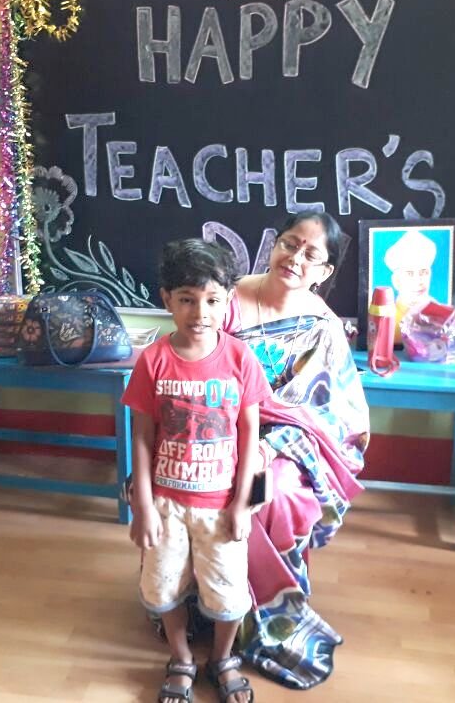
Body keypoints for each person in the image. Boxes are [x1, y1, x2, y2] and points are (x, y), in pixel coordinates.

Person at [222, 211, 371, 689]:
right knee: (207, 480)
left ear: (324, 271)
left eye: (311, 254)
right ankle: (209, 605)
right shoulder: (226, 299)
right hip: (219, 427)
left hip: (291, 441)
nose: (295, 258)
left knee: (277, 493)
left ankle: (260, 617)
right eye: (289, 243)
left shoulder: (322, 325)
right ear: (274, 244)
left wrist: (270, 447)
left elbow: (331, 409)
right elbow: (197, 365)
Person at [124, 239, 270, 703]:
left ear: (228, 299)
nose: (200, 312)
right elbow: (142, 437)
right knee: (163, 585)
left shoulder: (240, 359)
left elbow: (249, 435)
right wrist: (144, 507)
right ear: (167, 299)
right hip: (166, 504)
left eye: (212, 299)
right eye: (187, 299)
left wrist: (242, 504)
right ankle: (182, 657)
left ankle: (222, 658)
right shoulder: (152, 361)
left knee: (227, 592)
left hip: (221, 506)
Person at [384, 229, 437, 330]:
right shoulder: (389, 316)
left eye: (424, 272)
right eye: (410, 274)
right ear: (396, 281)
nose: (419, 281)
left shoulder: (438, 314)